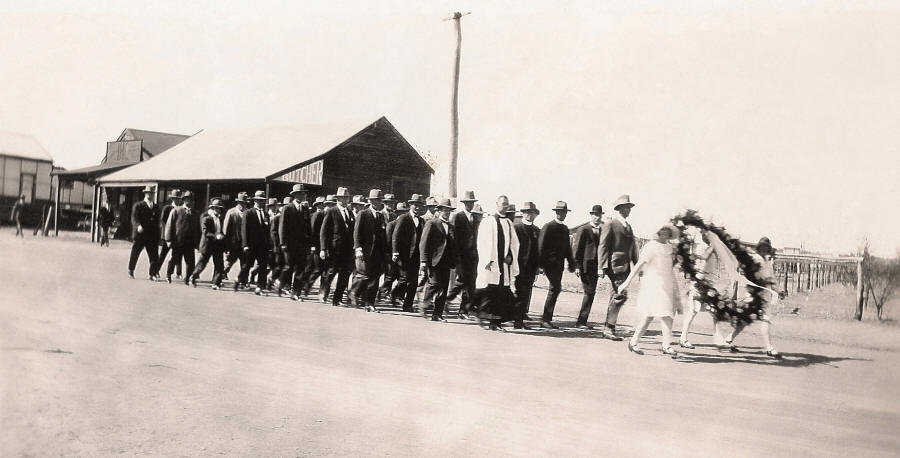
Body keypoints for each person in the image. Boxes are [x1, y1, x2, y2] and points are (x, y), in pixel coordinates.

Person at [621, 224, 682, 357]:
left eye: (668, 231)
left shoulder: (669, 248)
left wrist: (675, 290)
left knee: (662, 315)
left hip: (666, 286)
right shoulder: (651, 246)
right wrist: (627, 282)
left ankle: (661, 344)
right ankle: (640, 342)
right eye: (662, 230)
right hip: (653, 285)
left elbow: (670, 269)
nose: (665, 233)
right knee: (654, 315)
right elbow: (639, 265)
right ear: (658, 232)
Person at [722, 237, 786, 358]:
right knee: (760, 320)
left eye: (766, 248)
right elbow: (749, 274)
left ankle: (729, 339)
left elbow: (772, 279)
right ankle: (769, 348)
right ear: (758, 248)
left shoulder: (768, 261)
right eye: (762, 247)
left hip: (765, 296)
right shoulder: (754, 259)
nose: (764, 250)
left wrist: (779, 290)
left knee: (747, 320)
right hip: (755, 295)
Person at [473, 195, 520, 331]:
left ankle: (495, 323)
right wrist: (488, 260)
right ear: (497, 204)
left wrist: (510, 256)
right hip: (492, 263)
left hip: (504, 264)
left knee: (502, 293)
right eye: (503, 204)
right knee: (489, 292)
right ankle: (480, 314)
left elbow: (514, 243)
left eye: (507, 204)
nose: (505, 206)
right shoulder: (489, 221)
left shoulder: (509, 223)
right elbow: (483, 242)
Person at [597, 194, 639, 341]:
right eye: (626, 207)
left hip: (625, 267)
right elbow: (603, 246)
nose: (629, 210)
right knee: (621, 295)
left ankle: (609, 328)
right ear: (620, 208)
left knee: (615, 295)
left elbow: (632, 248)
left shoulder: (628, 226)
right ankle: (609, 327)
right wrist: (601, 267)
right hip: (614, 265)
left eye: (629, 207)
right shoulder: (611, 224)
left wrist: (637, 265)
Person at [537, 201, 575, 329]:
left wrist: (571, 262)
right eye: (560, 212)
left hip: (559, 265)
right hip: (549, 264)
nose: (562, 214)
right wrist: (540, 265)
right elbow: (541, 247)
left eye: (564, 212)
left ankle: (546, 318)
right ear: (556, 213)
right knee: (555, 288)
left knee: (556, 289)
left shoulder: (565, 229)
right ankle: (545, 319)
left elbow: (567, 248)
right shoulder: (548, 227)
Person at [350, 189, 389, 312]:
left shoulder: (381, 216)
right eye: (376, 200)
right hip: (365, 250)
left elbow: (383, 235)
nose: (378, 202)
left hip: (378, 252)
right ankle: (353, 293)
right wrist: (358, 248)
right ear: (371, 201)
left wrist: (385, 252)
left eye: (379, 200)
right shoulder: (363, 214)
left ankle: (369, 303)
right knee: (364, 275)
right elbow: (357, 232)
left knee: (375, 278)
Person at [419, 198, 456, 321]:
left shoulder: (451, 226)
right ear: (439, 210)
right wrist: (423, 261)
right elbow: (423, 243)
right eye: (445, 210)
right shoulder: (432, 223)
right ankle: (424, 306)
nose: (447, 212)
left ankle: (437, 314)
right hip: (434, 260)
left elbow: (452, 244)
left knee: (444, 287)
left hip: (446, 261)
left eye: (449, 210)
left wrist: (454, 261)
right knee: (434, 284)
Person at [446, 190, 479, 319]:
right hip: (462, 256)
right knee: (462, 281)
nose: (470, 205)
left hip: (473, 257)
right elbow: (454, 237)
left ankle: (463, 310)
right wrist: (456, 256)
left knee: (470, 283)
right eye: (467, 203)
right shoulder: (458, 217)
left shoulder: (476, 218)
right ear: (464, 203)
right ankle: (448, 300)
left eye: (471, 203)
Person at [320, 187, 355, 306]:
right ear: (338, 199)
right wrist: (323, 249)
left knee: (344, 274)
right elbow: (324, 231)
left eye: (347, 198)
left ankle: (337, 299)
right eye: (343, 198)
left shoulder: (349, 212)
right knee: (331, 271)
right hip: (334, 248)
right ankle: (324, 292)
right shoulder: (331, 211)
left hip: (347, 249)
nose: (345, 200)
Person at [572, 205, 604, 329]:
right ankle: (581, 321)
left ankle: (583, 320)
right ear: (591, 215)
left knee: (591, 292)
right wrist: (577, 266)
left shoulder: (602, 230)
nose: (597, 217)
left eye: (599, 215)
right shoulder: (583, 229)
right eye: (595, 214)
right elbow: (577, 248)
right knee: (589, 292)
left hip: (596, 267)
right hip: (585, 265)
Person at [392, 194, 426, 312]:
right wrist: (395, 252)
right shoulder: (403, 218)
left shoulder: (422, 221)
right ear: (411, 205)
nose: (417, 208)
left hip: (416, 256)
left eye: (419, 206)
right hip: (404, 254)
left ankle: (408, 305)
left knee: (414, 282)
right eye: (415, 205)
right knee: (404, 278)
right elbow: (396, 235)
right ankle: (395, 293)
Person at [278, 184, 312, 300]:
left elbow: (308, 228)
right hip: (290, 244)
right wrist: (283, 243)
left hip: (302, 245)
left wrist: (310, 244)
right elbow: (282, 227)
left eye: (304, 193)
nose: (304, 195)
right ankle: (281, 283)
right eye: (302, 193)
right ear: (296, 195)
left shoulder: (305, 209)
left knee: (301, 269)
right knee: (289, 266)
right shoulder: (287, 208)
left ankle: (296, 293)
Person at [513, 201, 541, 329]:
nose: (530, 215)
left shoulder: (536, 230)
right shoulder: (517, 228)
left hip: (531, 267)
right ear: (523, 214)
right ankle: (517, 320)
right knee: (518, 292)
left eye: (532, 213)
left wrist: (538, 268)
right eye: (527, 212)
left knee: (526, 293)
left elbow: (538, 251)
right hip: (518, 266)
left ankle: (520, 318)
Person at [189, 198, 225, 289]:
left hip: (218, 245)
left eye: (219, 208)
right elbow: (205, 232)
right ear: (212, 208)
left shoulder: (221, 218)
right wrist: (215, 236)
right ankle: (193, 277)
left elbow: (222, 230)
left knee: (219, 265)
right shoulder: (206, 217)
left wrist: (222, 236)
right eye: (216, 208)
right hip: (207, 244)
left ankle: (216, 283)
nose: (218, 210)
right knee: (202, 263)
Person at [239, 190, 270, 295]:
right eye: (259, 200)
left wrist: (268, 244)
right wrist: (245, 244)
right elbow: (244, 230)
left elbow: (267, 230)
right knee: (247, 264)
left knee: (263, 266)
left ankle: (260, 287)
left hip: (262, 245)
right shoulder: (248, 213)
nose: (261, 202)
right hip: (251, 245)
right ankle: (242, 281)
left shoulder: (265, 214)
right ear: (255, 201)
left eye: (263, 201)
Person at [164, 191, 198, 284]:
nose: (189, 202)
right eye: (187, 199)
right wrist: (168, 239)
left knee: (190, 262)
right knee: (174, 259)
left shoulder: (195, 213)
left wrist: (197, 242)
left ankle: (187, 278)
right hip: (178, 241)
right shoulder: (176, 210)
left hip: (190, 242)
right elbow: (169, 225)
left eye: (191, 200)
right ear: (183, 200)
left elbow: (197, 229)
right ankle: (168, 275)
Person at [128, 186, 160, 280]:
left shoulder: (156, 206)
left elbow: (156, 221)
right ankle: (131, 270)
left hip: (152, 235)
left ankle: (152, 274)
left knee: (154, 255)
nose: (151, 195)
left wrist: (157, 234)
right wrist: (138, 226)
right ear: (145, 194)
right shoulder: (138, 205)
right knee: (135, 253)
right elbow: (134, 218)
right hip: (140, 235)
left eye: (152, 193)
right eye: (149, 193)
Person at [379, 201, 405, 304]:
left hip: (403, 255)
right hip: (392, 255)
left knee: (398, 276)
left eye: (405, 212)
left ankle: (395, 296)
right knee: (391, 276)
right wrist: (390, 254)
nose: (403, 215)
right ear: (397, 213)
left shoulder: (406, 224)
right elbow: (388, 241)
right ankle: (383, 292)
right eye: (401, 212)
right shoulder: (391, 224)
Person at [222, 192, 248, 287]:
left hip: (244, 243)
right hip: (233, 243)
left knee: (245, 263)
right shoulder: (231, 212)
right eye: (241, 203)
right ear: (238, 202)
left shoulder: (247, 213)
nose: (243, 205)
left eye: (244, 203)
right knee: (229, 262)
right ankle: (219, 277)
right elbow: (226, 229)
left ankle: (243, 281)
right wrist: (226, 244)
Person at [156, 189, 182, 279]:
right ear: (172, 199)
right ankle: (156, 271)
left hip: (177, 236)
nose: (177, 200)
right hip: (167, 236)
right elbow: (163, 222)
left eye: (178, 199)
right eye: (175, 198)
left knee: (177, 255)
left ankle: (178, 273)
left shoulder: (181, 209)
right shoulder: (167, 208)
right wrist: (166, 236)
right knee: (163, 254)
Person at [267, 197, 285, 290]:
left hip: (281, 245)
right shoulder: (273, 217)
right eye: (272, 206)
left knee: (279, 265)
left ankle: (273, 281)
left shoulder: (281, 216)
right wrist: (276, 244)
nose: (274, 208)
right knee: (275, 265)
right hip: (273, 245)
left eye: (275, 206)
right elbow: (273, 233)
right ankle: (271, 280)